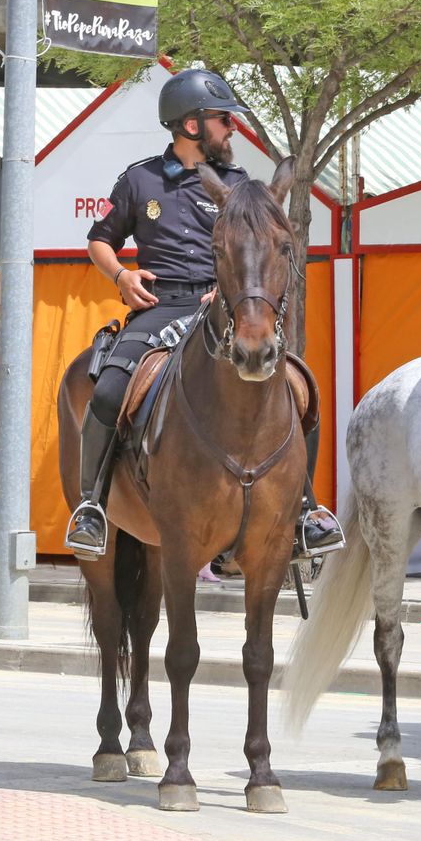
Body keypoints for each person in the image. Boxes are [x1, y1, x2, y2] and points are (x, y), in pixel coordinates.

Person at [64, 68, 344, 562]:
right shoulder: (139, 180)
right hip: (159, 307)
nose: (232, 129)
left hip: (224, 310)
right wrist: (122, 277)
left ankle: (304, 511)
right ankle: (91, 507)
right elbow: (99, 240)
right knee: (107, 389)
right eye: (223, 120)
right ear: (191, 126)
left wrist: (236, 297)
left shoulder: (244, 189)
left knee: (301, 387)